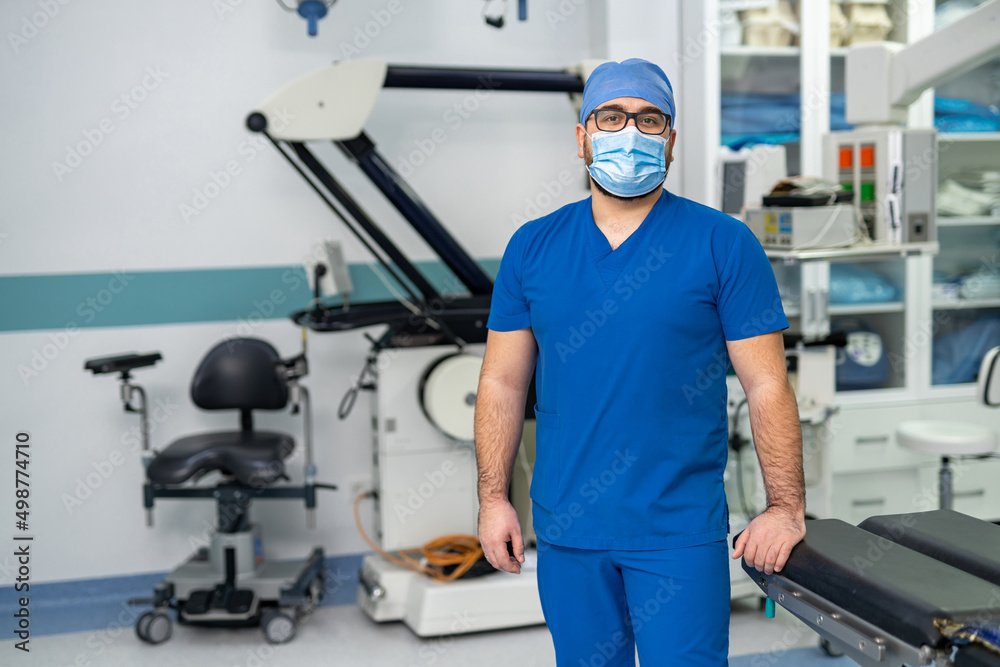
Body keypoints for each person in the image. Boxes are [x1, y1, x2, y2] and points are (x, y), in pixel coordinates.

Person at [474, 58, 806, 666]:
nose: (630, 131)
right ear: (582, 137)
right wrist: (494, 499)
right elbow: (500, 382)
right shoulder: (533, 247)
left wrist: (785, 508)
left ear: (671, 141)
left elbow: (766, 386)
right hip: (568, 527)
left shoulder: (723, 244)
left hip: (676, 530)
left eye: (650, 119)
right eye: (611, 116)